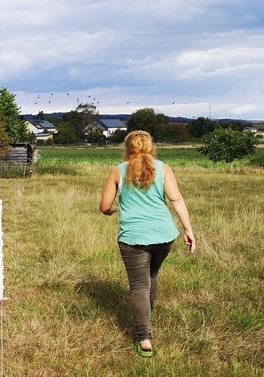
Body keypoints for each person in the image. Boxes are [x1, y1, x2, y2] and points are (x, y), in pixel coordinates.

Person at [99, 130, 196, 358]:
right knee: (151, 276)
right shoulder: (163, 168)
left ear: (127, 148)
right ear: (151, 147)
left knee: (139, 286)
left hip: (133, 237)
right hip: (164, 235)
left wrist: (116, 209)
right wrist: (188, 230)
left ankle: (143, 337)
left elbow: (104, 207)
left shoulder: (118, 171)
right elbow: (176, 199)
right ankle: (146, 318)